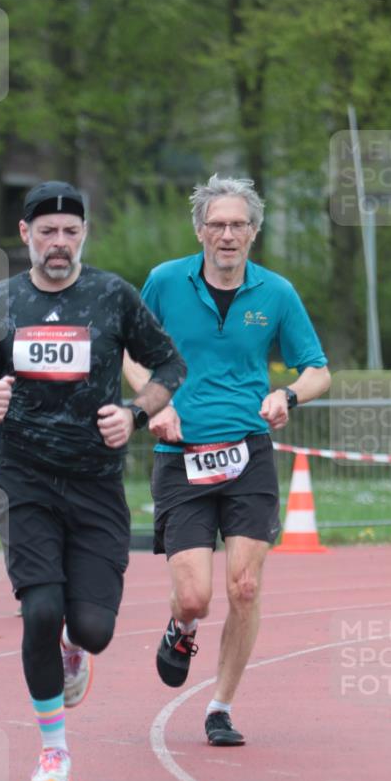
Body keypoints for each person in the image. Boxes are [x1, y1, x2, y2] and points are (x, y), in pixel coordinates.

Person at [0, 181, 186, 781]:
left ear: (83, 234)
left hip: (96, 484)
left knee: (92, 628)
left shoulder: (112, 296)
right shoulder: (1, 302)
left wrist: (135, 413)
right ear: (26, 235)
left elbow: (170, 367)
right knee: (40, 611)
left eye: (71, 231)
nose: (59, 243)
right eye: (48, 231)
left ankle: (75, 650)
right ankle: (53, 752)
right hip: (24, 478)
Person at [124, 174, 330, 747]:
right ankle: (182, 626)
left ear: (254, 232)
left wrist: (287, 395)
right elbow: (128, 351)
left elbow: (318, 369)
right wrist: (153, 405)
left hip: (248, 454)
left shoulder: (277, 294)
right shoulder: (166, 282)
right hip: (180, 454)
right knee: (196, 595)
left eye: (239, 224)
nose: (228, 234)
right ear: (200, 230)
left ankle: (219, 707)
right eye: (217, 224)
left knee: (244, 587)